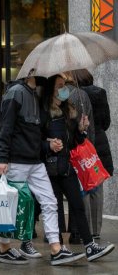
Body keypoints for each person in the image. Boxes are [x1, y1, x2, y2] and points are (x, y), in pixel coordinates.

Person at [0, 73, 84, 265]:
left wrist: (46, 144)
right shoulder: (16, 93)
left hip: (35, 161)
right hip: (17, 161)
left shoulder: (35, 95)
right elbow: (6, 127)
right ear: (33, 73)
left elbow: (35, 132)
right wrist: (2, 158)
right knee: (13, 205)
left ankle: (56, 248)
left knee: (50, 201)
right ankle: (4, 248)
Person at [39, 73, 114, 261]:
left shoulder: (68, 111)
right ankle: (58, 249)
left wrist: (81, 130)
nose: (64, 89)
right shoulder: (43, 113)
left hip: (67, 166)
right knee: (54, 209)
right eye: (60, 85)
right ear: (52, 89)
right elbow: (35, 141)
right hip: (50, 169)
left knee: (77, 206)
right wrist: (48, 145)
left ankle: (89, 246)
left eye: (64, 85)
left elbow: (73, 143)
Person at [73, 69, 113, 240]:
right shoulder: (100, 92)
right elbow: (106, 122)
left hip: (83, 142)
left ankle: (86, 229)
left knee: (84, 186)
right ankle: (96, 229)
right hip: (99, 143)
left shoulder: (75, 95)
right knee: (96, 184)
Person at [63, 71, 96, 244]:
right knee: (78, 192)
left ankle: (60, 232)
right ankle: (77, 233)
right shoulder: (81, 95)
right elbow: (90, 126)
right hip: (78, 149)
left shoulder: (60, 97)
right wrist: (89, 146)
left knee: (63, 194)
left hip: (65, 150)